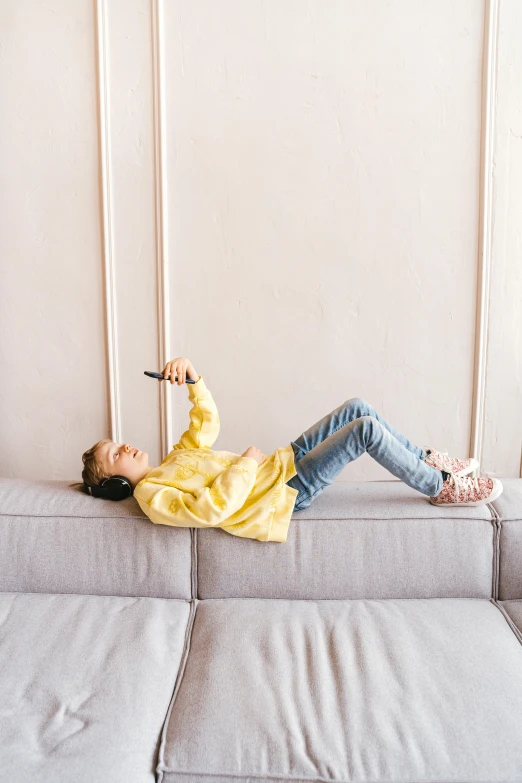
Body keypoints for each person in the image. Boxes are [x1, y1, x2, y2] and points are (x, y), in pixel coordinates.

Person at [75, 356, 503, 544]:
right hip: (285, 491)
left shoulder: (174, 460)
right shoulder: (154, 497)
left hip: (281, 464)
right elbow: (210, 511)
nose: (126, 446)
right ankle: (440, 486)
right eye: (115, 454)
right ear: (115, 482)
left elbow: (207, 423)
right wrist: (245, 464)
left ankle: (425, 458)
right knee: (365, 430)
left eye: (117, 443)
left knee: (357, 407)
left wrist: (192, 377)